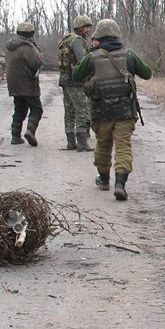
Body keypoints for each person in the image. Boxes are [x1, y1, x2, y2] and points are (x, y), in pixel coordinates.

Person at [72, 18, 152, 201]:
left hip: (101, 112)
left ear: (98, 36)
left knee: (103, 144)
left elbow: (76, 75)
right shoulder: (129, 55)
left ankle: (104, 179)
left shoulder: (92, 57)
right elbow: (147, 73)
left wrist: (91, 55)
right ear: (116, 34)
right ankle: (120, 184)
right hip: (125, 111)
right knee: (123, 146)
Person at [57, 15, 94, 151]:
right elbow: (81, 60)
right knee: (82, 109)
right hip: (75, 80)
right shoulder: (77, 41)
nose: (89, 30)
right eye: (87, 27)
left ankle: (71, 142)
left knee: (69, 110)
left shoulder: (67, 38)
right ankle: (82, 143)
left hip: (65, 79)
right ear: (81, 28)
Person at [4, 20, 44, 146]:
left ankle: (15, 136)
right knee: (37, 109)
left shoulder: (10, 46)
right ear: (31, 34)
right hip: (27, 83)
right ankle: (30, 131)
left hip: (14, 84)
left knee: (19, 109)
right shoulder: (27, 47)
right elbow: (36, 63)